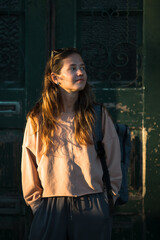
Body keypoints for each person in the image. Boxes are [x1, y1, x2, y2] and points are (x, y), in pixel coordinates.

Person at [21, 48, 122, 240]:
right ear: (55, 78)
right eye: (73, 68)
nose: (80, 73)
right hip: (50, 207)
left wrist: (108, 200)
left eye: (82, 68)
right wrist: (37, 205)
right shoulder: (38, 118)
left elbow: (114, 159)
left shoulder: (98, 115)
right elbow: (29, 163)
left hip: (93, 205)